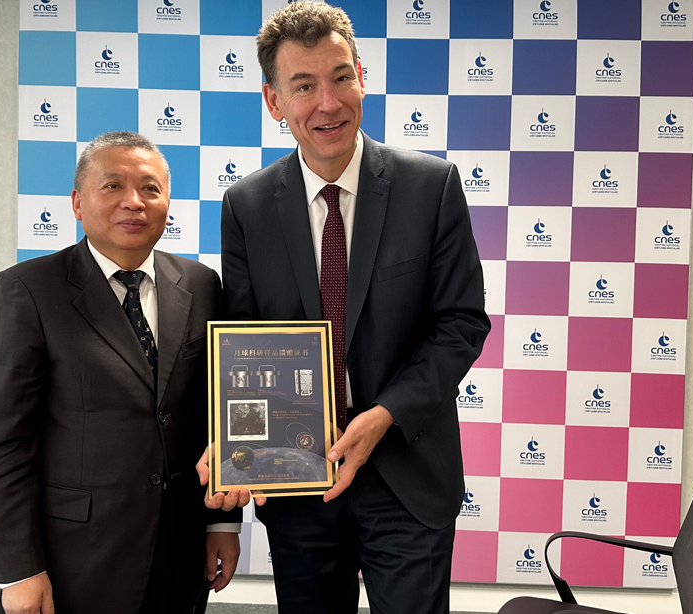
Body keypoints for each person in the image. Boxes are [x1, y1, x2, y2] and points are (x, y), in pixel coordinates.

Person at [201, 3, 491, 613]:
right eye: (303, 86)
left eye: (340, 77)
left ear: (362, 75)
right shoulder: (246, 206)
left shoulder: (430, 187)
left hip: (406, 472)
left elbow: (460, 322)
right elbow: (247, 342)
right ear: (274, 101)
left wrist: (384, 413)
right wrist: (233, 442)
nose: (327, 103)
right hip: (296, 475)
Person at [0, 131, 240, 614]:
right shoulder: (29, 290)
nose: (133, 202)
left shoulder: (201, 285)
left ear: (168, 204)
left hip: (180, 546)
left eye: (150, 188)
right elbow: (4, 442)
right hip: (75, 554)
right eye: (112, 186)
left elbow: (213, 415)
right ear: (77, 202)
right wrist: (18, 569)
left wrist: (220, 524)